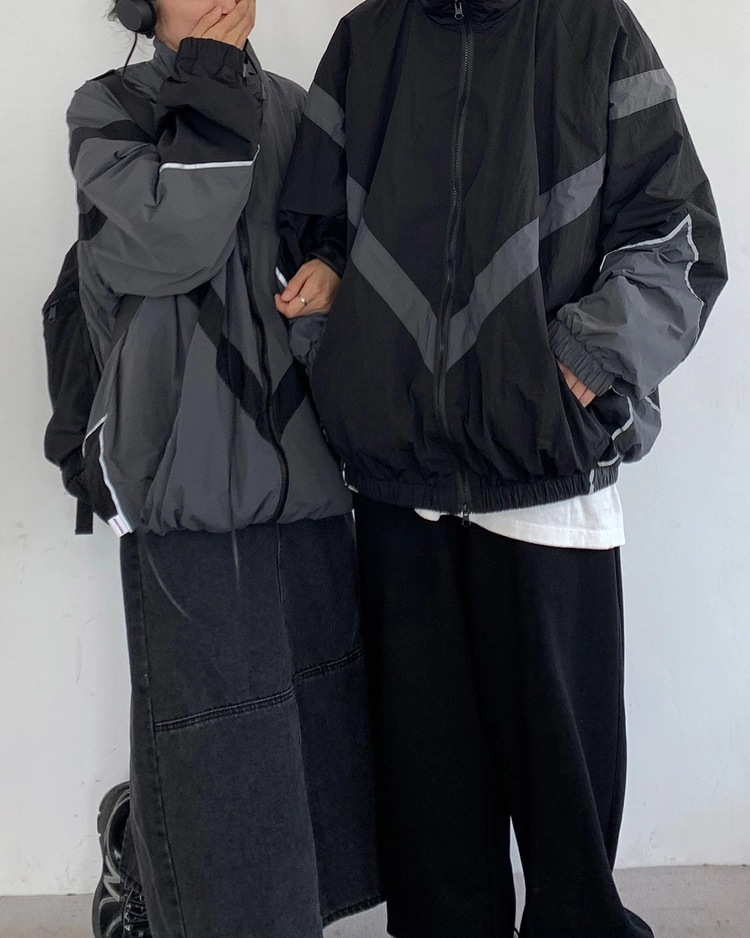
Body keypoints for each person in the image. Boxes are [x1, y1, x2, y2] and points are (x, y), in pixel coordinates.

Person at [276, 1, 728, 936]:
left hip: (545, 489)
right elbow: (307, 232)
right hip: (400, 490)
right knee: (430, 822)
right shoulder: (368, 40)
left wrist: (582, 361)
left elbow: (679, 236)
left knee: (569, 828)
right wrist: (342, 351)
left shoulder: (593, 30)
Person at [67, 2, 381, 936]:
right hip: (182, 474)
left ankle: (142, 850)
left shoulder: (294, 105)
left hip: (302, 467)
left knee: (308, 730)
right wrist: (206, 75)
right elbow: (173, 240)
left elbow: (342, 231)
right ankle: (149, 882)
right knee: (211, 734)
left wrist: (332, 270)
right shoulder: (109, 107)